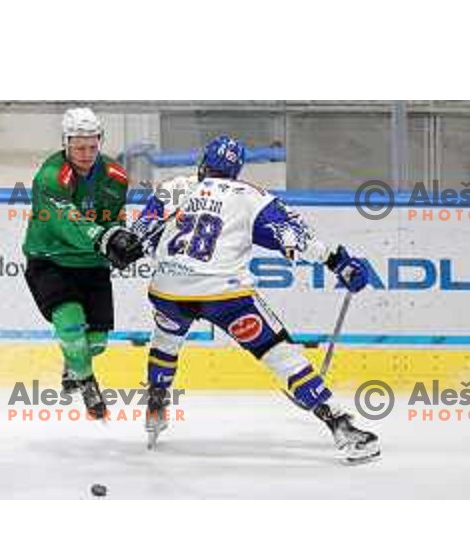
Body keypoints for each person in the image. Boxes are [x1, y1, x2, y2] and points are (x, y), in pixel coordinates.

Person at [130, 135, 379, 462]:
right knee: (279, 353)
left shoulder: (175, 187)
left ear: (203, 163)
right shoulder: (251, 196)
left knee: (165, 339)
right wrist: (339, 262)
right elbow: (295, 238)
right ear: (237, 169)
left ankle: (156, 404)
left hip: (168, 292)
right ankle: (341, 425)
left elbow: (139, 236)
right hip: (226, 296)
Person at [22, 107, 143, 419]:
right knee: (71, 326)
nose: (86, 153)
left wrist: (120, 238)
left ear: (100, 141)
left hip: (92, 264)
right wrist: (104, 240)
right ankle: (87, 383)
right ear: (65, 143)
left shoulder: (115, 176)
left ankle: (73, 364)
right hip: (51, 260)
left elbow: (113, 217)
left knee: (97, 344)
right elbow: (66, 220)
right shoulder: (51, 176)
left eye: (92, 146)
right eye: (78, 147)